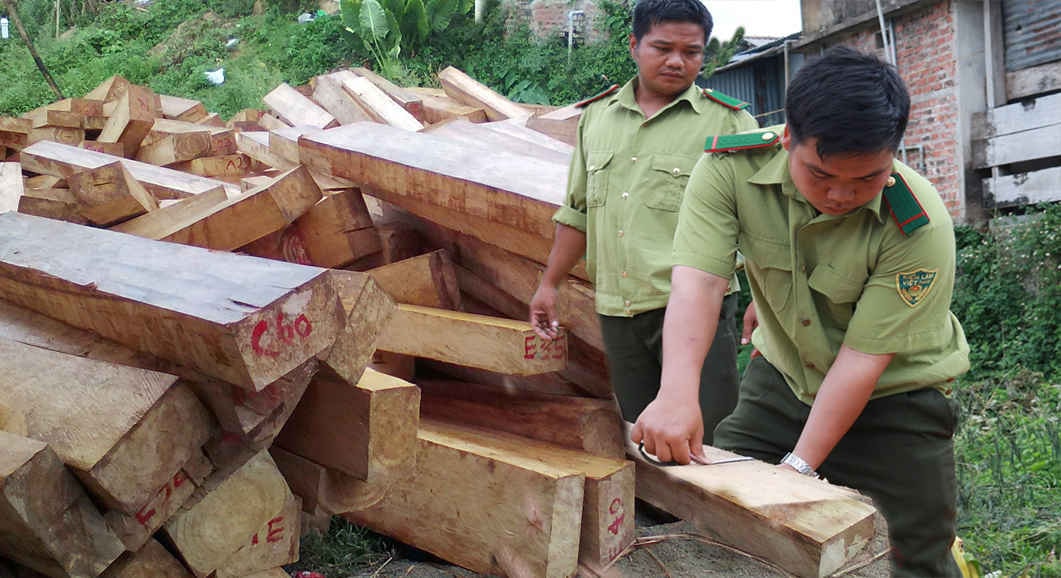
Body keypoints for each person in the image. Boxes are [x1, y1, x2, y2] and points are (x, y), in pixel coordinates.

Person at [634, 46, 970, 576]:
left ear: (892, 155)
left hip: (897, 400)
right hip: (783, 381)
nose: (840, 195)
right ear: (787, 138)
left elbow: (863, 359)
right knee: (721, 523)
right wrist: (677, 393)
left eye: (865, 180)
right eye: (821, 175)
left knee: (910, 557)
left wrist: (798, 469)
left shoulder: (918, 224)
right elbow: (698, 283)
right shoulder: (729, 170)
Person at [529, 0, 758, 441]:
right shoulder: (597, 118)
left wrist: (764, 300)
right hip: (619, 309)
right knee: (640, 435)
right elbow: (578, 211)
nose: (676, 61)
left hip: (697, 309)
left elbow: (762, 220)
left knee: (707, 439)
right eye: (662, 47)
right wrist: (549, 284)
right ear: (634, 45)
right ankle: (657, 512)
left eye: (691, 52)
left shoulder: (728, 122)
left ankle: (706, 513)